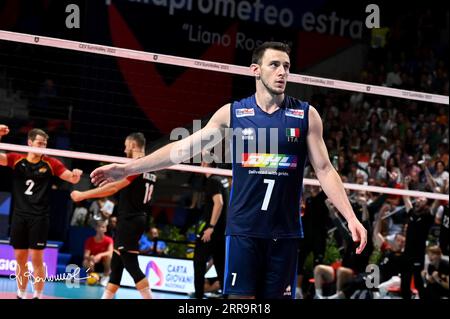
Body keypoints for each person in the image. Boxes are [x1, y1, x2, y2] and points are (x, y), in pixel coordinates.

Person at [90, 42, 367, 299]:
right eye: (274, 65)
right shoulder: (233, 113)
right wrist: (128, 168)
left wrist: (351, 217)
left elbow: (324, 169)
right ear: (255, 70)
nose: (282, 71)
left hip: (284, 233)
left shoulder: (306, 115)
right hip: (243, 231)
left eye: (287, 66)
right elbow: (181, 149)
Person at [71, 132, 156, 299]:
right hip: (135, 218)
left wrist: (83, 195)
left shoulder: (137, 165)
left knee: (131, 264)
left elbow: (113, 189)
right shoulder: (151, 166)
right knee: (117, 266)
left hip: (130, 220)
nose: (125, 150)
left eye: (126, 145)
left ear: (132, 145)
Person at [0, 127, 82, 299]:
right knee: (20, 258)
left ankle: (38, 294)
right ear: (29, 143)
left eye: (45, 144)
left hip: (39, 217)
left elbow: (70, 177)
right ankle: (21, 293)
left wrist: (75, 175)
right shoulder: (16, 158)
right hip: (19, 216)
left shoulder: (51, 163)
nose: (43, 147)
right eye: (39, 143)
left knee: (37, 259)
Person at [193, 156, 229, 299]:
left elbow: (219, 203)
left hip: (212, 232)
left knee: (198, 265)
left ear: (207, 163)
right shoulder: (221, 179)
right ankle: (227, 297)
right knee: (221, 266)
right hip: (222, 232)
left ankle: (199, 297)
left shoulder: (212, 181)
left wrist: (211, 227)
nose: (200, 163)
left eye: (203, 161)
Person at [83, 220, 113, 286]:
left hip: (104, 264)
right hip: (93, 263)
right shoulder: (89, 240)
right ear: (96, 228)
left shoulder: (109, 240)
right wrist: (91, 257)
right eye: (99, 227)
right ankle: (91, 277)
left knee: (109, 257)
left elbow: (110, 252)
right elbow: (86, 255)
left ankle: (105, 278)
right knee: (85, 262)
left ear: (105, 229)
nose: (101, 229)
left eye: (103, 227)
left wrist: (100, 255)